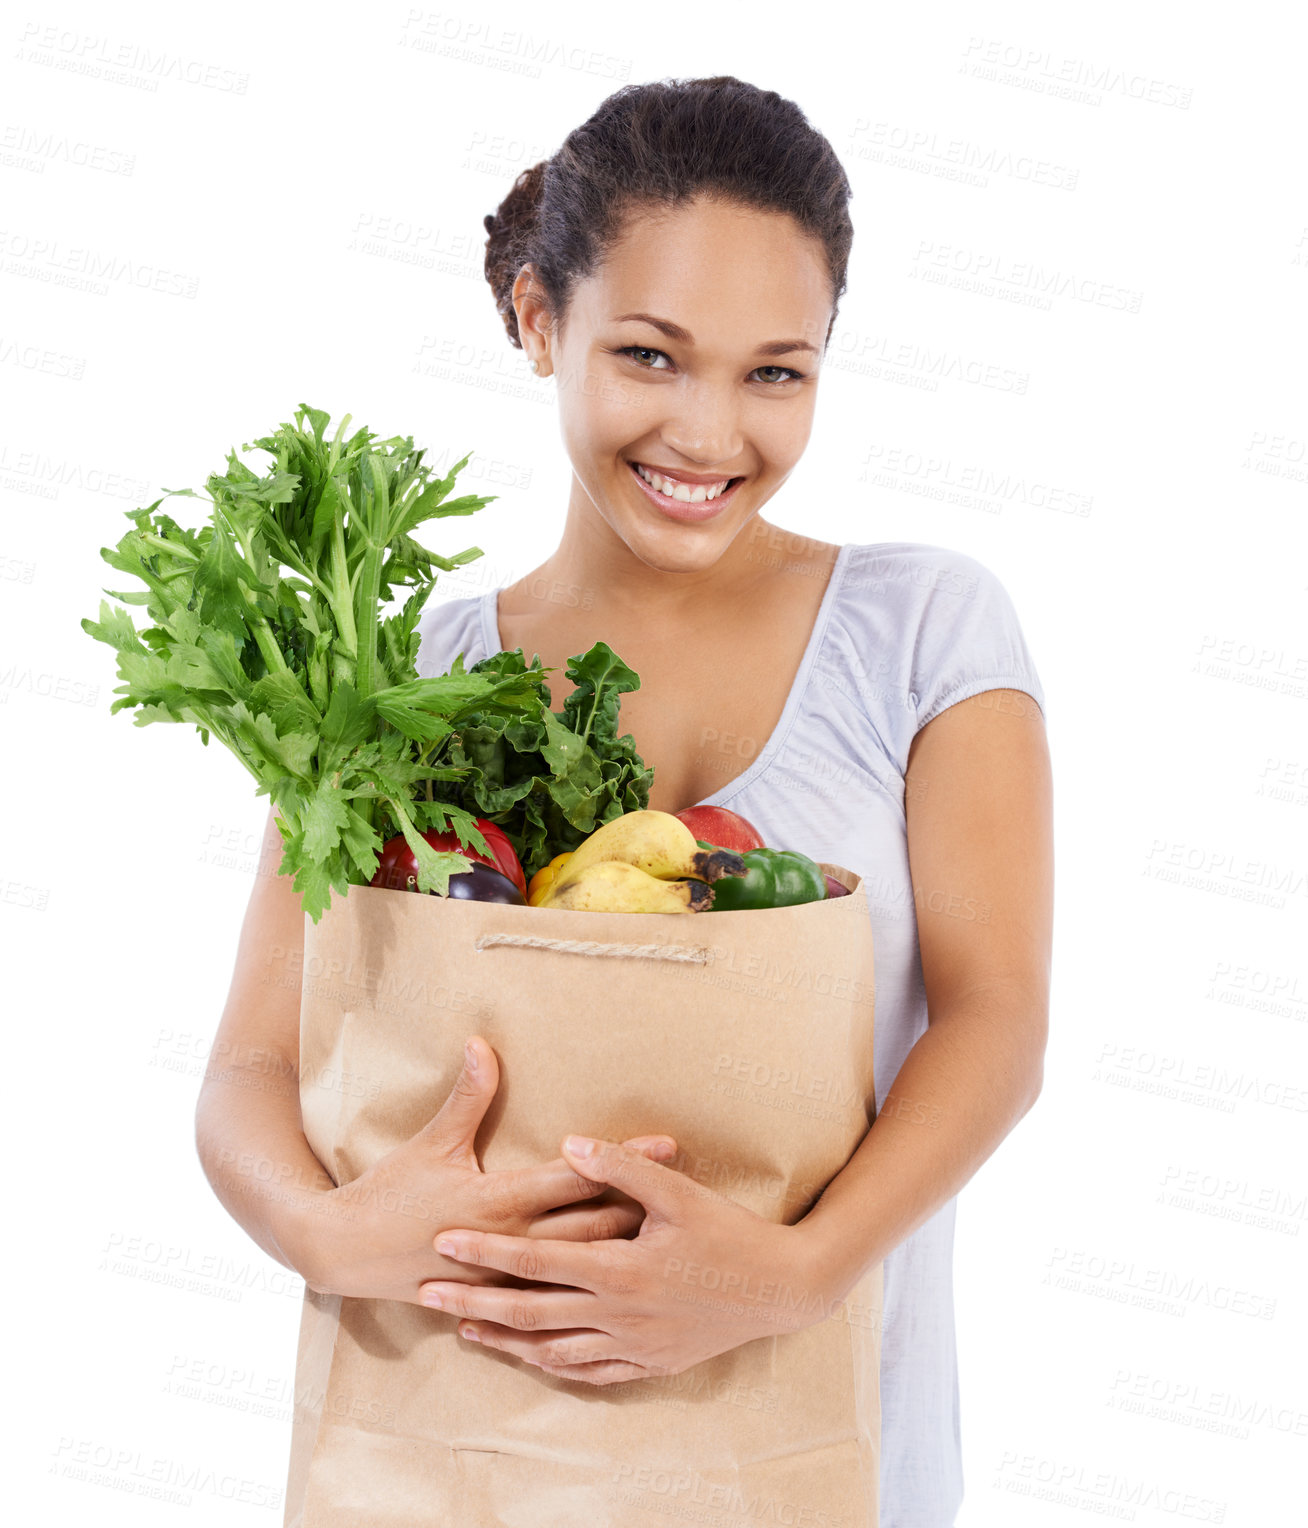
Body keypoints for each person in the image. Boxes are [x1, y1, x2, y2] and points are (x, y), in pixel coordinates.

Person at [198, 76, 1052, 1528]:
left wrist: (791, 1273)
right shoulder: (399, 678)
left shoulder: (925, 636)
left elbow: (996, 1022)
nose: (710, 434)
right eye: (652, 356)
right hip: (460, 1460)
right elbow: (250, 1070)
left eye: (776, 373)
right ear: (541, 321)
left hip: (823, 1455)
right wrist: (330, 1234)